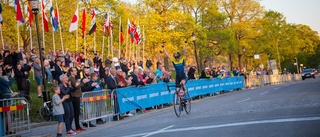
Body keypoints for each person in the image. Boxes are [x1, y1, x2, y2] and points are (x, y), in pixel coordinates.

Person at [69, 67, 89, 132]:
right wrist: (83, 82)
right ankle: (76, 127)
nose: (76, 72)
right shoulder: (71, 78)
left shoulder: (74, 78)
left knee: (77, 112)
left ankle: (77, 126)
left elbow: (77, 85)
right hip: (75, 96)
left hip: (77, 95)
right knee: (76, 112)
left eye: (76, 70)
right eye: (74, 71)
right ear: (71, 72)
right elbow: (77, 86)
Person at [0, 67, 18, 135]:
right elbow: (9, 84)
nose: (1, 70)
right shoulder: (1, 79)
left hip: (4, 97)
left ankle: (5, 130)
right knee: (7, 113)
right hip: (5, 97)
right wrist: (12, 77)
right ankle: (9, 129)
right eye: (0, 70)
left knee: (5, 114)